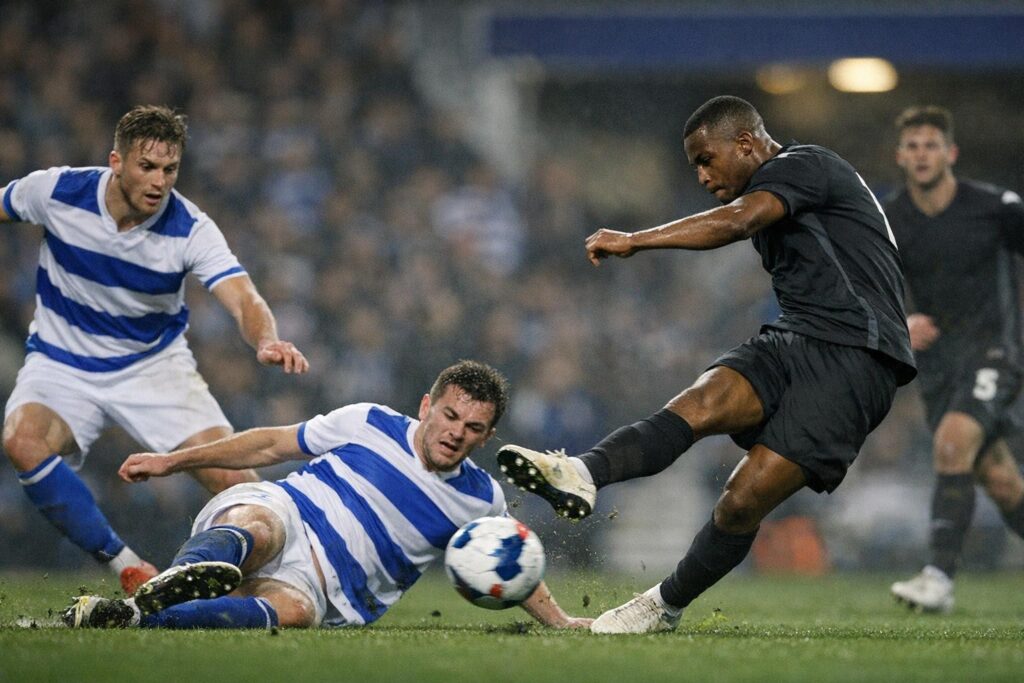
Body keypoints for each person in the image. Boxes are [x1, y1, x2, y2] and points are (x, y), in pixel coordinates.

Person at [496, 95, 917, 633]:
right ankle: (581, 473)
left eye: (705, 160)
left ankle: (662, 606)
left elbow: (738, 221)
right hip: (795, 337)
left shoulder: (805, 165)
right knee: (700, 402)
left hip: (857, 356)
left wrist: (635, 240)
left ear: (745, 143)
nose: (701, 176)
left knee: (742, 500)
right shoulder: (778, 192)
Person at [1, 105, 309, 593]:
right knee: (22, 441)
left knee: (239, 486)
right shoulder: (57, 191)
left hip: (152, 366)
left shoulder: (189, 228)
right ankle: (127, 565)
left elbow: (243, 297)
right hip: (60, 363)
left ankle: (296, 576)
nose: (159, 181)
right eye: (147, 166)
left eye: (170, 169)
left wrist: (266, 338)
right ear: (116, 161)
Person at [61, 360, 590, 631]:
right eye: (449, 415)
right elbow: (270, 444)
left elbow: (510, 562)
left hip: (326, 589)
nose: (456, 432)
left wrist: (561, 621)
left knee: (292, 612)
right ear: (426, 406)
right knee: (258, 527)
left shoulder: (481, 499)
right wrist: (172, 462)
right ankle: (184, 575)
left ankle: (129, 615)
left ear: (487, 437)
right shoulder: (369, 421)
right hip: (292, 515)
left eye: (472, 428)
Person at [885, 106, 1024, 613]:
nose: (922, 154)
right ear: (900, 156)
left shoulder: (996, 208)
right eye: (913, 146)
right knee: (1002, 483)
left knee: (951, 442)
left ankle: (938, 577)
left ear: (951, 153)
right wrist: (901, 319)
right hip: (939, 364)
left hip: (994, 351)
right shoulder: (890, 218)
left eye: (932, 145)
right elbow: (867, 284)